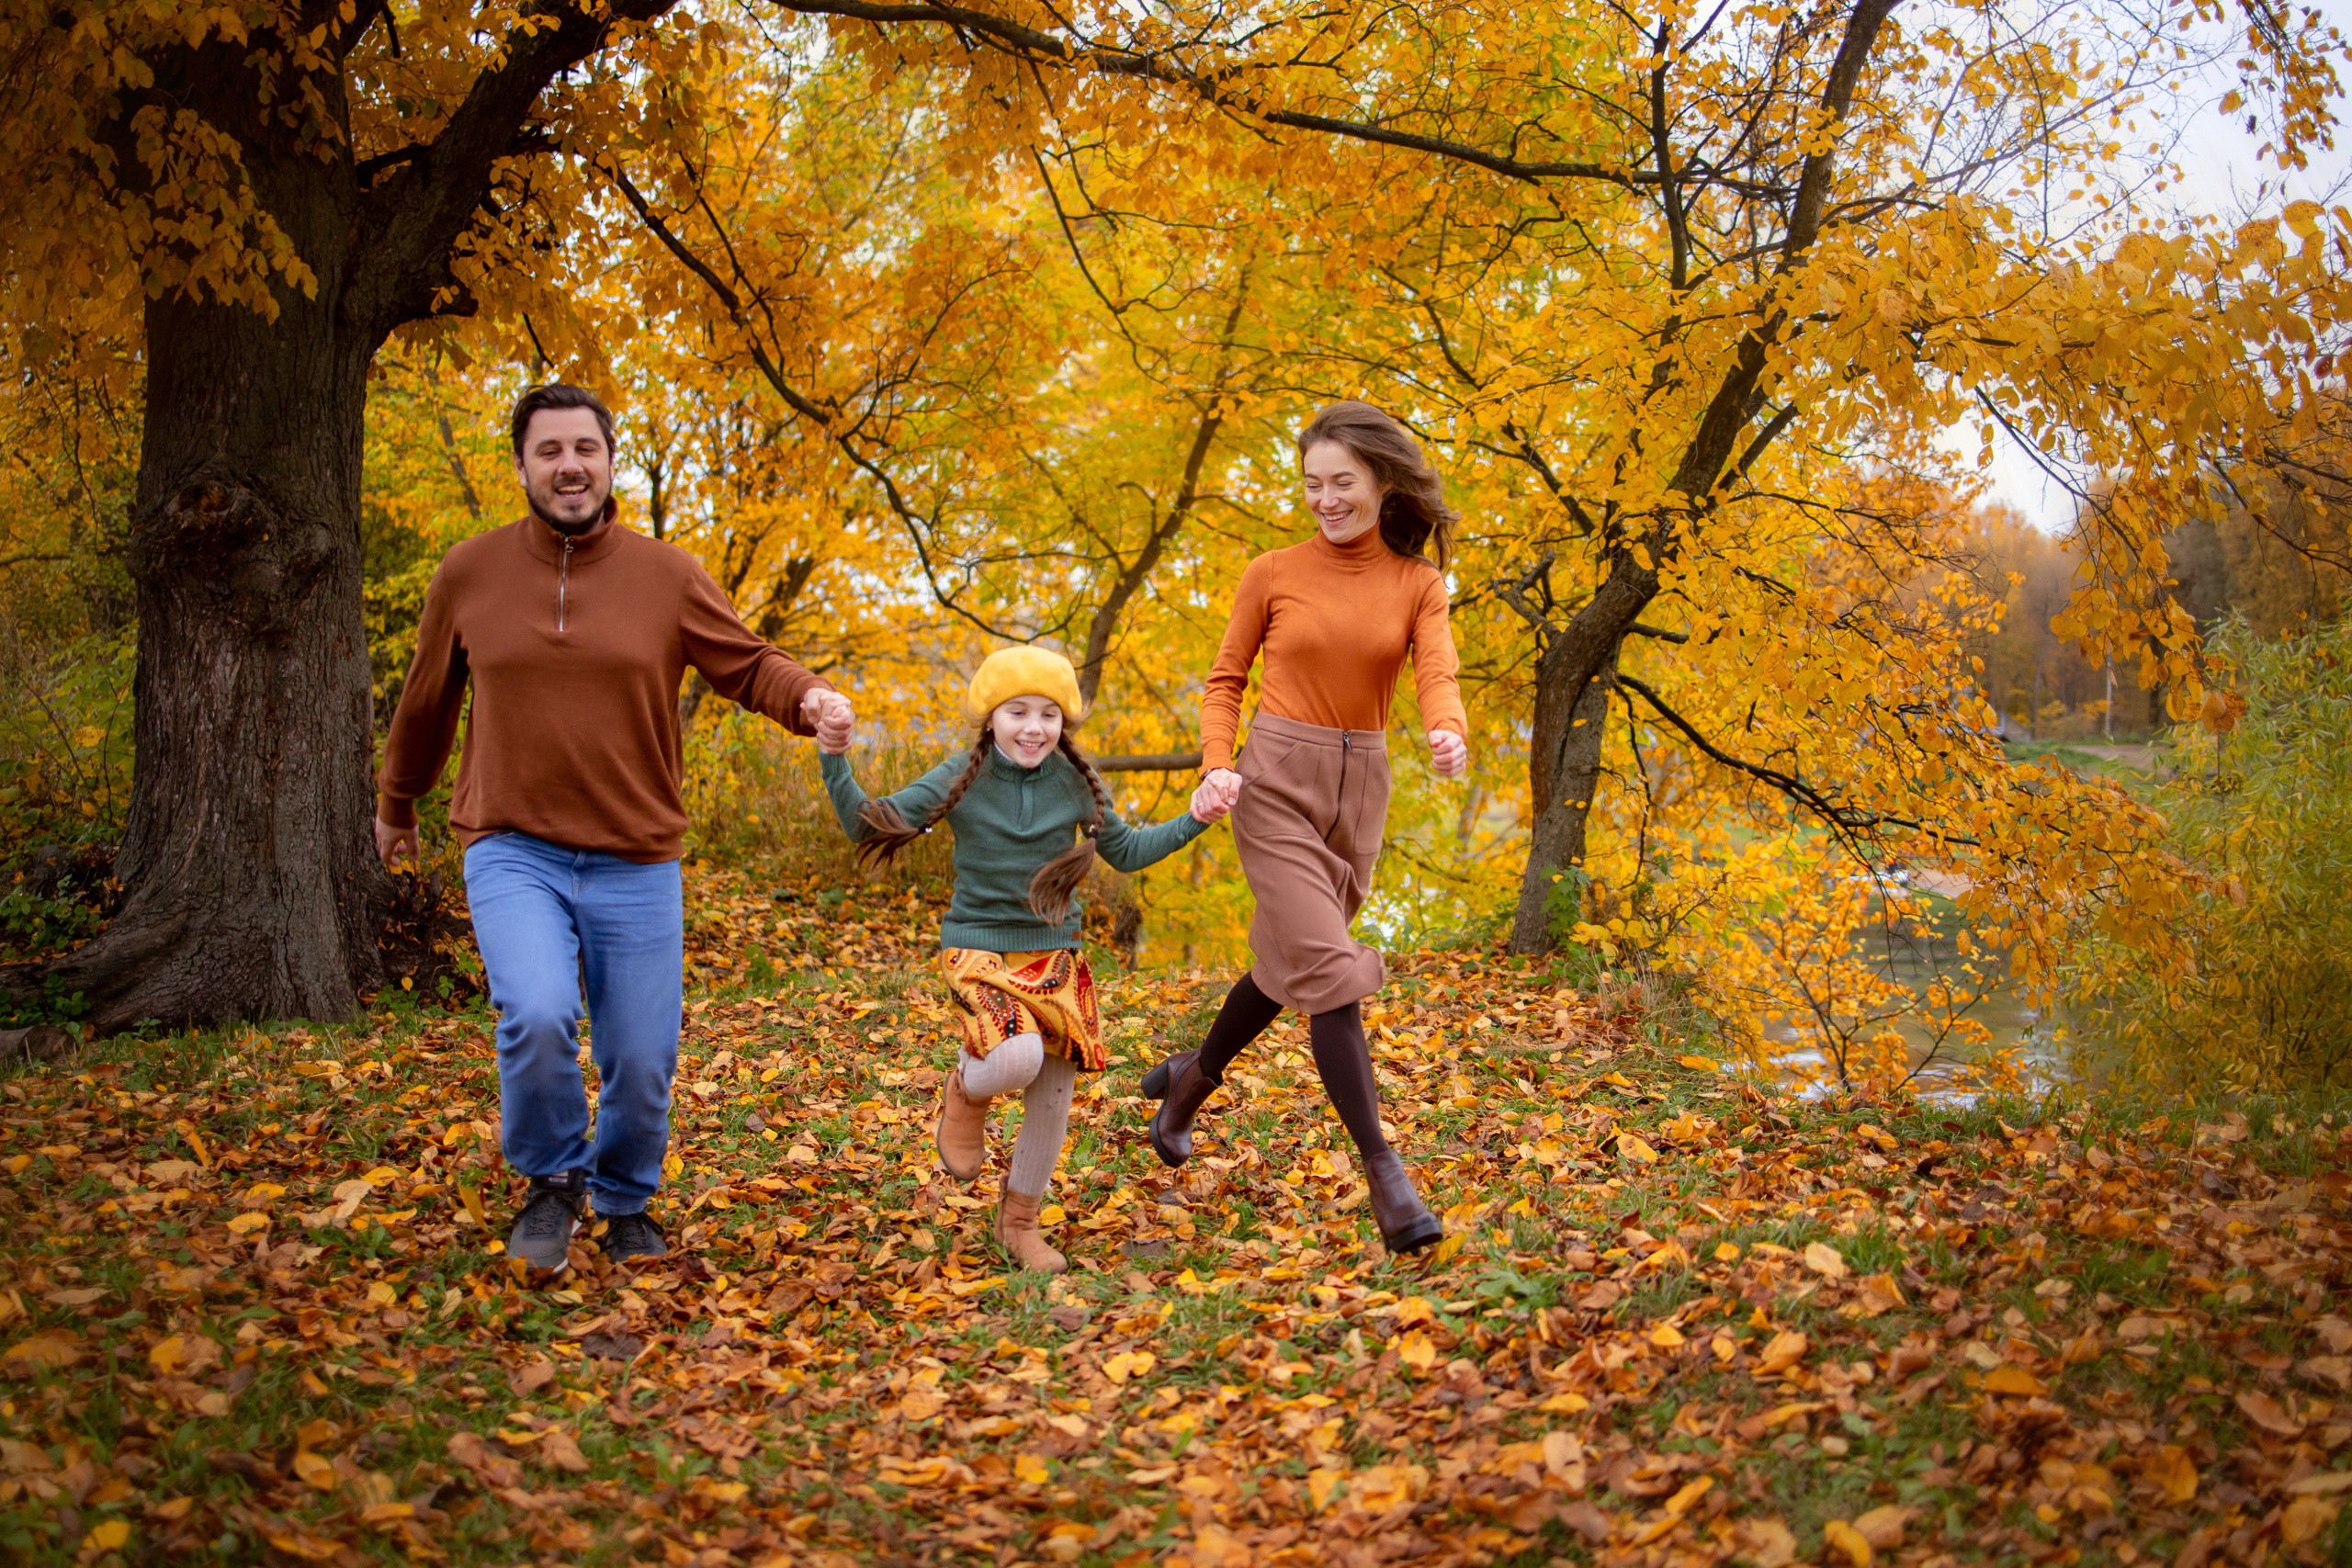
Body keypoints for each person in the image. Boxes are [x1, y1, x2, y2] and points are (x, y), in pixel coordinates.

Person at [374, 384, 854, 1272]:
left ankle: (627, 1198)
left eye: (585, 449)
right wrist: (397, 801)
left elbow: (748, 664)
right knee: (539, 1010)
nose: (568, 466)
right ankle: (552, 1183)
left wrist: (809, 699)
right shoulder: (468, 573)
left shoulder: (664, 575)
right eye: (549, 450)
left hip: (636, 856)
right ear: (521, 464)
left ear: (608, 461)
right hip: (513, 845)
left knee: (640, 1057)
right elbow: (427, 699)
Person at [1140, 400, 1470, 1255]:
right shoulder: (1274, 571)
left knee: (1290, 961)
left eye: (1342, 484)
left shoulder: (1417, 583)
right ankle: (1387, 1177)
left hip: (1362, 790)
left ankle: (1189, 1082)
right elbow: (1225, 679)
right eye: (1313, 484)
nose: (1325, 499)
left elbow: (1435, 668)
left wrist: (1449, 729)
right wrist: (1218, 762)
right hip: (1275, 778)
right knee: (1329, 971)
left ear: (1383, 482)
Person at [820, 647, 1230, 1272]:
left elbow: (1126, 850)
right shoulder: (962, 774)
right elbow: (866, 824)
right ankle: (964, 1089)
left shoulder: (1074, 781)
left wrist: (1196, 816)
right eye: (1017, 711)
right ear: (992, 717)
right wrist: (834, 755)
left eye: (1048, 713)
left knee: (1051, 1093)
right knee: (1016, 1055)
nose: (1034, 727)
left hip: (1055, 954)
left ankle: (1019, 1223)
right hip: (979, 948)